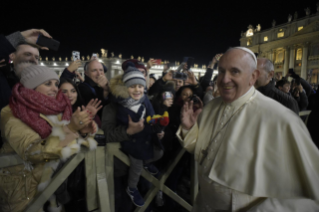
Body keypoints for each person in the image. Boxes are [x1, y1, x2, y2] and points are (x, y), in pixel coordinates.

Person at [178, 47, 319, 211]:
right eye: (221, 71)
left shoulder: (281, 119)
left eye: (235, 71)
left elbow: (310, 195)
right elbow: (202, 153)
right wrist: (189, 129)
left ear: (253, 77)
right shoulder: (210, 108)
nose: (224, 79)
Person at [0, 65, 98, 212]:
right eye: (48, 84)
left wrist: (80, 132)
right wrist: (70, 128)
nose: (54, 88)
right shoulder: (11, 112)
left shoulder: (55, 108)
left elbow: (61, 144)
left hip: (52, 185)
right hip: (23, 189)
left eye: (56, 84)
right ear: (31, 86)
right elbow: (33, 152)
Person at [109, 66, 163, 207]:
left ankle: (147, 163)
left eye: (140, 86)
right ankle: (132, 188)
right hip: (132, 141)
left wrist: (158, 126)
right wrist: (130, 130)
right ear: (125, 88)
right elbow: (121, 123)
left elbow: (151, 116)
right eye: (132, 87)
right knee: (137, 164)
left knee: (159, 151)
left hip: (146, 137)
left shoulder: (145, 99)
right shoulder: (121, 104)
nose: (137, 90)